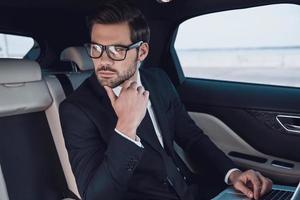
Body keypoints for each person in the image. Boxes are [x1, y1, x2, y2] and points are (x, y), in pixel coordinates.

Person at [59, 0, 272, 199]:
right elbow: (96, 195)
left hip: (190, 190)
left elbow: (191, 137)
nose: (103, 60)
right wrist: (126, 127)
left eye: (117, 50)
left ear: (141, 52)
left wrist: (232, 173)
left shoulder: (159, 80)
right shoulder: (77, 109)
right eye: (96, 48)